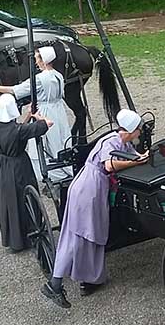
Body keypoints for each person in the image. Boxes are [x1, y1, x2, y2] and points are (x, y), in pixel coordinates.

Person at [41, 109, 149, 308]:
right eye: (139, 130)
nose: (140, 133)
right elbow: (109, 166)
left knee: (88, 234)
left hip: (91, 189)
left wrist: (142, 157)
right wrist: (134, 161)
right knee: (78, 236)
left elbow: (136, 157)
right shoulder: (111, 142)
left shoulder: (122, 142)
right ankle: (56, 284)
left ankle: (87, 278)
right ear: (132, 130)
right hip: (89, 190)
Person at [0, 46, 72, 183]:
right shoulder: (58, 75)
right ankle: (65, 167)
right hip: (58, 111)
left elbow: (14, 90)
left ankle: (52, 175)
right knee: (60, 138)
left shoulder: (39, 79)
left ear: (44, 61)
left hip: (45, 111)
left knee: (45, 143)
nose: (36, 63)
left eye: (37, 59)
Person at [0, 93, 53, 251]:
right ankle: (28, 233)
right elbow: (48, 124)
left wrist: (27, 117)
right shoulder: (17, 131)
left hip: (4, 166)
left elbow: (19, 129)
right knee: (22, 199)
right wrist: (39, 118)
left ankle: (14, 238)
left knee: (9, 201)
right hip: (19, 167)